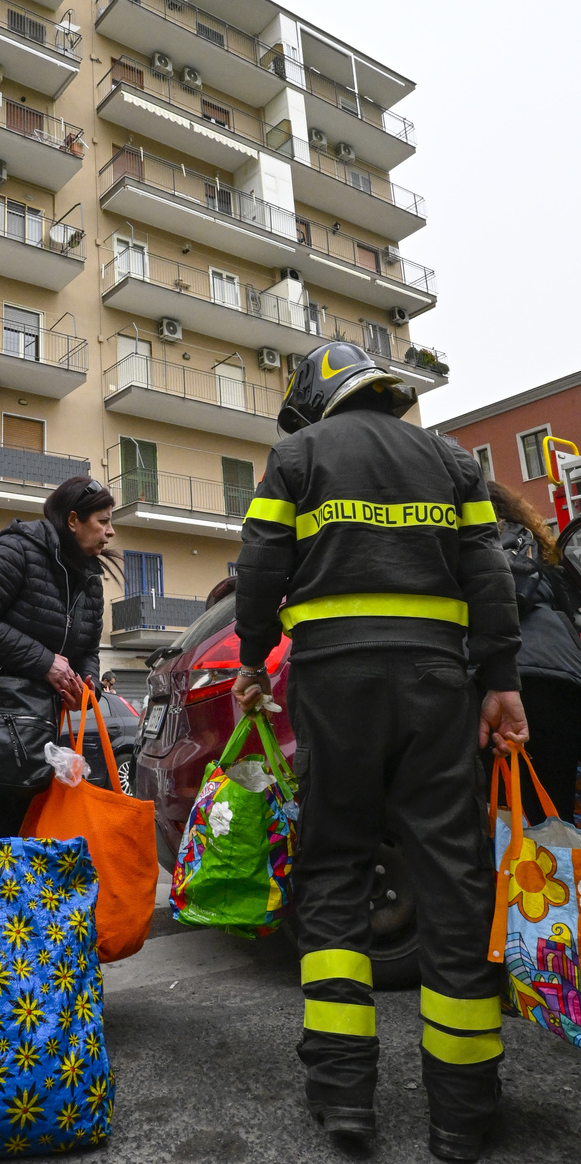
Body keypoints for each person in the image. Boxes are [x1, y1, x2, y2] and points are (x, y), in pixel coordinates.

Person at [232, 342, 527, 1163]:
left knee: (333, 869)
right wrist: (499, 677)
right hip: (439, 685)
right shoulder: (450, 459)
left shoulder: (296, 455)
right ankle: (462, 1113)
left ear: (315, 399)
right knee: (451, 873)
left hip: (332, 685)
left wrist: (254, 661)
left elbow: (258, 569)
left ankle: (343, 1095)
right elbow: (488, 571)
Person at [0, 476, 116, 841]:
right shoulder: (20, 549)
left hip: (33, 718)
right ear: (72, 520)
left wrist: (86, 683)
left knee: (23, 829)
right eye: (103, 521)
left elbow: (88, 650)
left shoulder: (90, 581)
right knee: (1, 829)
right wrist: (46, 662)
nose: (110, 532)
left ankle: (7, 894)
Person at [484, 479, 581, 823]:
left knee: (493, 810)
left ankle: (502, 872)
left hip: (487, 686)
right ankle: (558, 872)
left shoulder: (458, 557)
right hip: (561, 682)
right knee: (554, 811)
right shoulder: (536, 558)